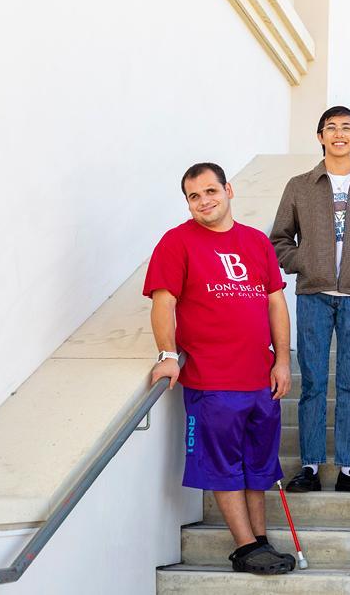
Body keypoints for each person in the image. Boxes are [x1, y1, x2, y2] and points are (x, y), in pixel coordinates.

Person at [145, 162, 294, 575]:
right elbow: (164, 302)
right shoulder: (177, 242)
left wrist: (282, 359)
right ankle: (246, 548)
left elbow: (275, 302)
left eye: (210, 191)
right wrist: (167, 354)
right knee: (224, 466)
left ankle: (260, 540)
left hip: (260, 378)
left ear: (228, 190)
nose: (204, 201)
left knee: (258, 464)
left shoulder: (256, 242)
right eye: (194, 196)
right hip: (212, 380)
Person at [270, 106, 350, 494]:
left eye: (347, 128)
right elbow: (279, 238)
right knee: (311, 382)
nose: (339, 134)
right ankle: (310, 465)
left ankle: (347, 468)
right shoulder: (299, 185)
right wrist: (303, 262)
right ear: (320, 136)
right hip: (313, 296)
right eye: (331, 128)